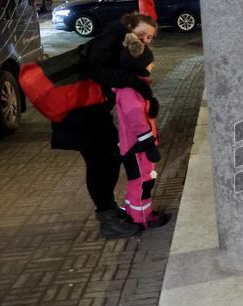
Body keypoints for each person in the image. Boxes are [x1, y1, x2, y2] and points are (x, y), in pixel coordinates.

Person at [51, 14, 158, 239]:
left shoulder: (120, 41)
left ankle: (109, 209)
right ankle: (107, 218)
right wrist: (136, 82)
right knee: (100, 161)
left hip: (91, 111)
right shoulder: (112, 38)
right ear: (129, 28)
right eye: (142, 34)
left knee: (108, 158)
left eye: (149, 38)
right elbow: (99, 72)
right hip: (79, 113)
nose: (145, 40)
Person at [113, 33, 169, 230]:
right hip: (137, 147)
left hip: (135, 145)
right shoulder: (131, 91)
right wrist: (149, 144)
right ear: (140, 66)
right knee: (143, 182)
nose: (152, 66)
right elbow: (137, 121)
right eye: (149, 63)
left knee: (137, 180)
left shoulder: (135, 86)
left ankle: (132, 211)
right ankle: (143, 217)